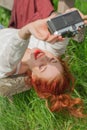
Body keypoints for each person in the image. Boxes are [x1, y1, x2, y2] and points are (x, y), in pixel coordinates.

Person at [0, 9, 87, 117]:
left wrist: (26, 31)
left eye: (42, 67)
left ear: (34, 78)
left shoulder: (9, 66)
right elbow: (61, 36)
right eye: (52, 60)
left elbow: (13, 49)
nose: (44, 58)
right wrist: (68, 18)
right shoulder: (49, 51)